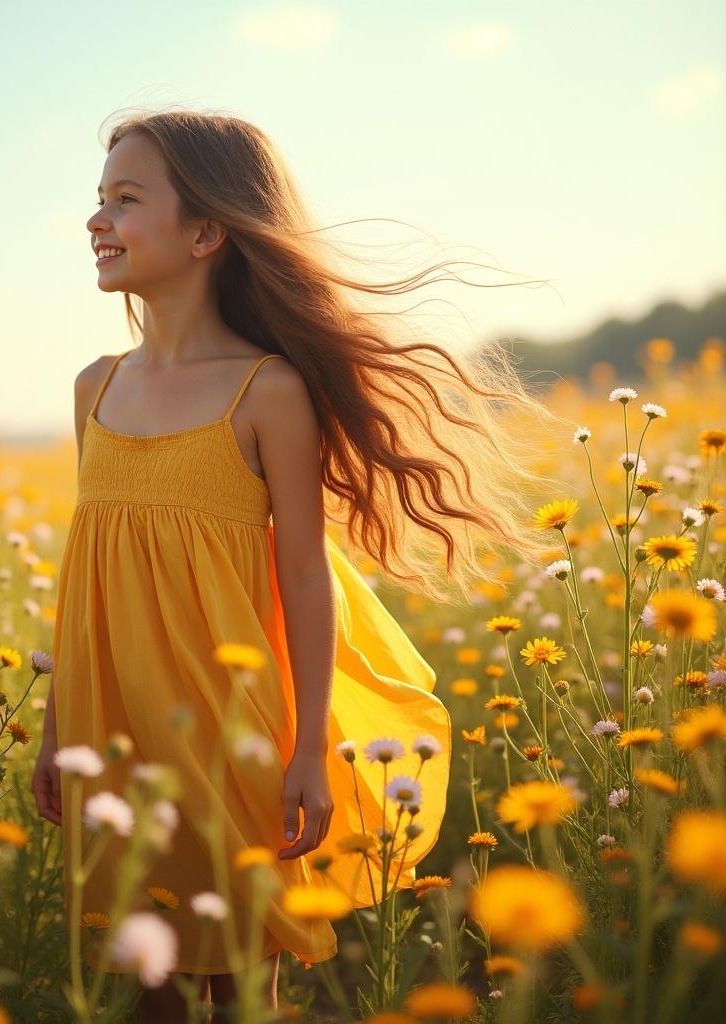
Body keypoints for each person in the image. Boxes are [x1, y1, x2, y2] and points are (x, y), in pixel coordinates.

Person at [33, 109, 561, 1021]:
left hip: (237, 727)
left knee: (244, 975)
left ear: (206, 232)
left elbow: (306, 578)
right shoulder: (96, 387)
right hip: (119, 722)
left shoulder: (267, 390)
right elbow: (88, 578)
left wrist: (308, 747)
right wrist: (54, 730)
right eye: (98, 199)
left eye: (126, 199)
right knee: (147, 976)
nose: (97, 220)